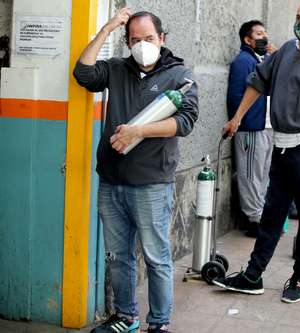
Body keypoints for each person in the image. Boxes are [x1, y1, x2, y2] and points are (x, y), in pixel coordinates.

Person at [213, 0, 300, 303]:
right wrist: (236, 118)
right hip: (282, 146)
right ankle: (253, 274)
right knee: (272, 213)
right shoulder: (287, 50)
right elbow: (257, 82)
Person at [73, 9, 199, 333]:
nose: (142, 45)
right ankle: (125, 317)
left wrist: (140, 131)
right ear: (127, 43)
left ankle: (159, 324)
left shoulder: (179, 76)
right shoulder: (117, 69)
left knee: (156, 259)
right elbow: (83, 74)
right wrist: (108, 27)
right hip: (112, 182)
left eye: (148, 38)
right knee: (119, 257)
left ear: (162, 39)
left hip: (151, 184)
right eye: (134, 40)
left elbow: (186, 121)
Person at [227, 20, 277, 237]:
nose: (263, 37)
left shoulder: (264, 59)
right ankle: (253, 218)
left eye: (265, 32)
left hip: (267, 126)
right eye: (258, 33)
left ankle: (261, 214)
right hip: (251, 127)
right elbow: (236, 95)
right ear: (248, 40)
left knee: (263, 173)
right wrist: (239, 121)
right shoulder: (243, 61)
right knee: (249, 173)